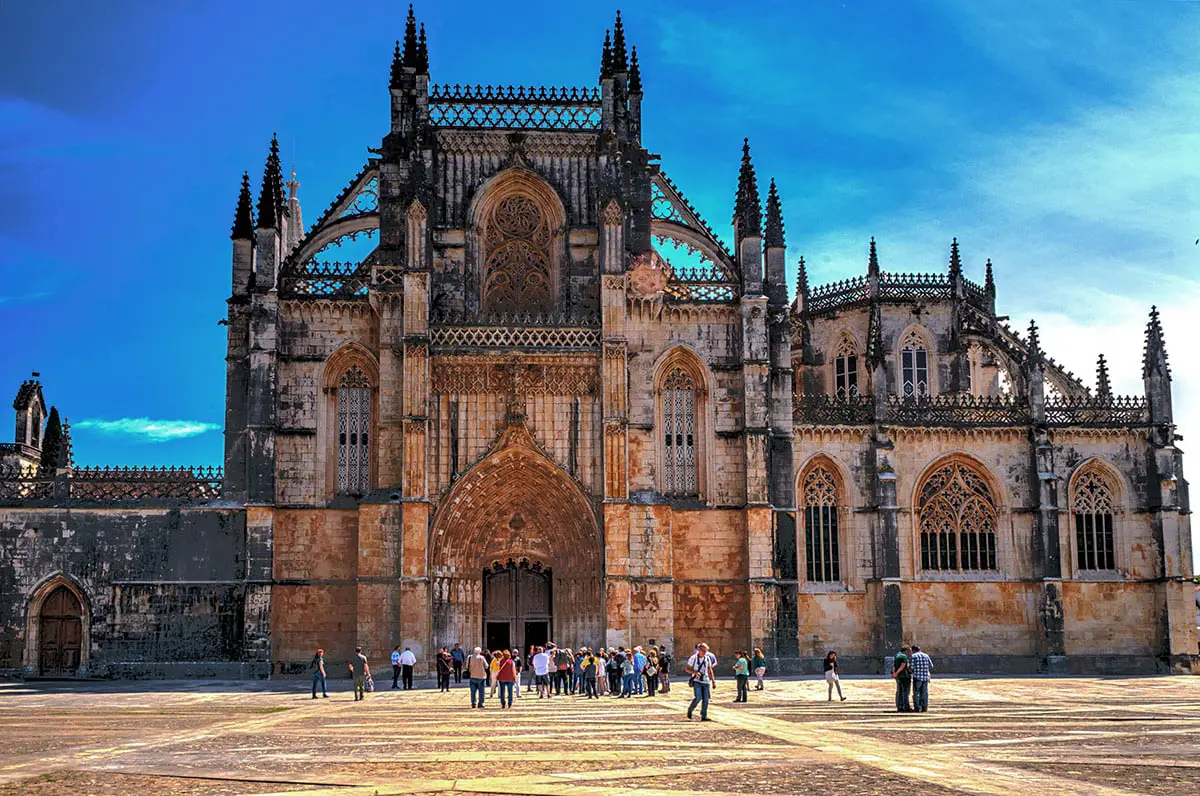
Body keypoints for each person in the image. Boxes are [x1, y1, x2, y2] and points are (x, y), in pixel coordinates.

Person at [686, 642, 717, 721]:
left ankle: (703, 715)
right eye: (703, 650)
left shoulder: (707, 658)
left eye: (706, 651)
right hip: (697, 680)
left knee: (706, 699)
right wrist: (695, 672)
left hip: (706, 681)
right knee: (698, 697)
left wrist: (713, 681)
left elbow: (710, 670)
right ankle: (690, 709)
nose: (705, 652)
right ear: (698, 650)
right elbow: (687, 669)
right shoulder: (693, 658)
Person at [909, 645, 933, 712]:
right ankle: (924, 708)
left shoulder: (914, 656)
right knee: (924, 693)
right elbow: (931, 665)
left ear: (913, 650)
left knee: (916, 693)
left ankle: (917, 708)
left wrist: (910, 669)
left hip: (917, 677)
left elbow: (912, 667)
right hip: (925, 677)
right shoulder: (926, 655)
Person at [892, 646, 912, 712]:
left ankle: (899, 706)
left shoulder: (897, 656)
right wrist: (897, 672)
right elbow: (903, 665)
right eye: (909, 651)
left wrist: (894, 673)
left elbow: (894, 666)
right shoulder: (904, 656)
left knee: (899, 691)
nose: (910, 653)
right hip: (905, 676)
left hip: (898, 677)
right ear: (906, 651)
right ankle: (906, 707)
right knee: (906, 692)